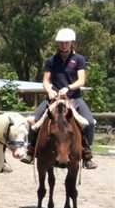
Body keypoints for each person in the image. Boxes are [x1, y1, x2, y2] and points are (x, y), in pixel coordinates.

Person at [22, 28, 97, 169]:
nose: (63, 45)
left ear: (71, 43)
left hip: (74, 99)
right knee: (33, 121)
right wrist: (49, 89)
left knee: (90, 123)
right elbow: (45, 80)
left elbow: (81, 81)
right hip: (53, 99)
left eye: (66, 42)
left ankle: (87, 155)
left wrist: (68, 88)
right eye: (61, 43)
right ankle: (31, 151)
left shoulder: (79, 59)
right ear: (58, 43)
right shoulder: (51, 60)